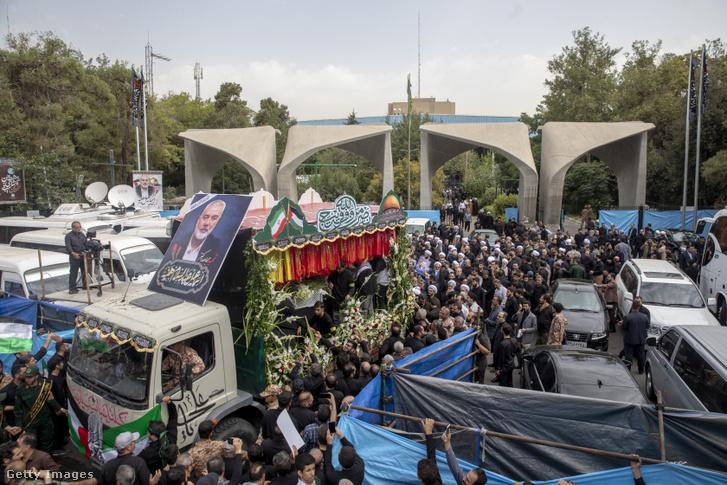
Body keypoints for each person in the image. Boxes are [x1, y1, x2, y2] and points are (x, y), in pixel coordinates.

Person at [13, 367, 67, 453]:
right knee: (31, 444)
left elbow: (50, 399)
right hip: (30, 422)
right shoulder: (21, 389)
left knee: (47, 441)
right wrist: (19, 425)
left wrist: (59, 408)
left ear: (37, 376)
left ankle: (45, 459)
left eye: (30, 377)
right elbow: (17, 410)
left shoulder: (45, 385)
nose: (27, 379)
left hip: (45, 420)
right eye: (26, 377)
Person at [171, 200, 226, 265]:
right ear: (198, 218)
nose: (207, 223)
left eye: (214, 218)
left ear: (217, 223)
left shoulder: (218, 248)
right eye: (205, 217)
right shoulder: (178, 243)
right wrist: (178, 221)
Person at [140, 397, 179, 474]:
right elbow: (173, 418)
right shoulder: (171, 437)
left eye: (148, 431)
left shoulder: (147, 453)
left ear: (153, 436)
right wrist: (169, 403)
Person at [620, 298, 650, 374]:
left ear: (632, 307)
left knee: (628, 356)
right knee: (641, 356)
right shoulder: (645, 317)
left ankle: (628, 371)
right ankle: (641, 370)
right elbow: (647, 326)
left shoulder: (627, 317)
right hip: (640, 339)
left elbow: (624, 327)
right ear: (639, 307)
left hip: (629, 340)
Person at [65, 221, 88, 293]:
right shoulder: (68, 236)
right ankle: (72, 288)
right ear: (73, 228)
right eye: (77, 227)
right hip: (74, 256)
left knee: (85, 271)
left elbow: (85, 243)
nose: (79, 229)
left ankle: (85, 286)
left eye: (79, 227)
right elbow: (68, 246)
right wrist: (73, 253)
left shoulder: (82, 234)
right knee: (73, 272)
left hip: (83, 255)